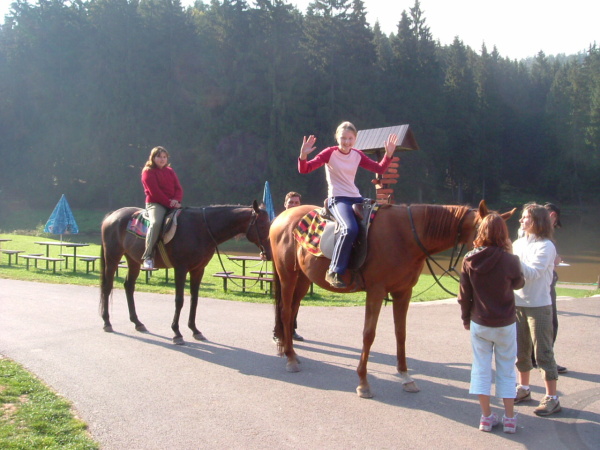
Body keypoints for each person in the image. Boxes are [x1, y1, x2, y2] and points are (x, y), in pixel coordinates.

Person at [298, 121, 398, 289]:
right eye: (343, 138)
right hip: (338, 199)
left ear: (355, 139)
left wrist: (388, 155)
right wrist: (303, 155)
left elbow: (379, 169)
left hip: (357, 198)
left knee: (379, 223)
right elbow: (305, 169)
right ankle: (334, 270)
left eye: (350, 138)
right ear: (337, 138)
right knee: (349, 229)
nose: (347, 142)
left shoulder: (357, 154)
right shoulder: (329, 153)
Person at [458, 213, 524, 433]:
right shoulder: (510, 260)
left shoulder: (469, 259)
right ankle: (510, 419)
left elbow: (464, 296)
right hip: (505, 323)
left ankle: (486, 417)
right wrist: (511, 254)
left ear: (481, 231)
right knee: (506, 370)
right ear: (503, 234)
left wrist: (466, 318)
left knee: (481, 369)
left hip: (480, 321)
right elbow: (518, 283)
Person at [512, 203, 561, 417]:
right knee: (520, 351)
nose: (521, 220)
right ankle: (523, 389)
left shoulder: (546, 246)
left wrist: (511, 258)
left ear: (537, 221)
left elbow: (532, 273)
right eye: (522, 217)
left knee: (543, 353)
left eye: (526, 217)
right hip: (517, 304)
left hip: (539, 306)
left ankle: (552, 398)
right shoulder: (517, 243)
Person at [141, 146, 183, 269]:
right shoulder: (148, 172)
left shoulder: (170, 171)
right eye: (159, 156)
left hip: (172, 203)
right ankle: (148, 256)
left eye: (164, 157)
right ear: (153, 158)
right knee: (155, 223)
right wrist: (171, 203)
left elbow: (178, 188)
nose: (162, 159)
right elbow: (155, 193)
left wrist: (176, 200)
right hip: (155, 204)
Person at [275, 191, 304, 342]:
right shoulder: (279, 222)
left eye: (296, 203)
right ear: (285, 204)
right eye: (291, 202)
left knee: (297, 298)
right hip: (283, 266)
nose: (293, 205)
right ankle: (277, 332)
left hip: (300, 266)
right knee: (282, 299)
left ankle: (291, 329)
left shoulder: (305, 222)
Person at [544, 203, 567, 374]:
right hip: (545, 284)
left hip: (536, 286)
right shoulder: (544, 237)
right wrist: (555, 261)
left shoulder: (526, 234)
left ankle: (532, 358)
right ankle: (546, 360)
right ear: (553, 216)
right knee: (551, 323)